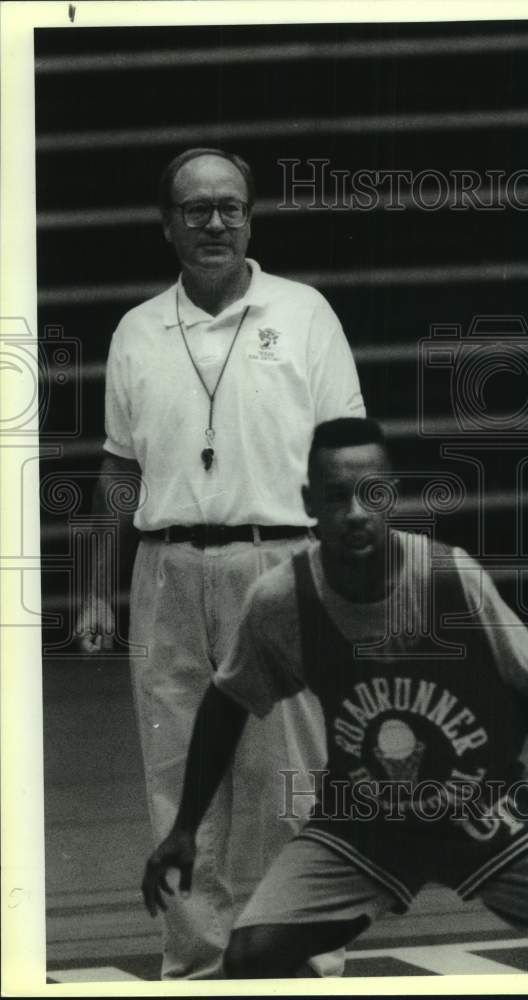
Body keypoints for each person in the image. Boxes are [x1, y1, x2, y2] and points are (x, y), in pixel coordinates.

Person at [141, 417, 528, 977]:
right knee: (252, 957)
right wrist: (185, 827)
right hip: (366, 819)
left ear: (391, 497)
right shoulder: (283, 599)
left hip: (485, 809)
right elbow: (226, 702)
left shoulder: (450, 579)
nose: (355, 511)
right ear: (310, 503)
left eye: (371, 494)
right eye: (336, 497)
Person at [76, 148, 365, 979]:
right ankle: (198, 968)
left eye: (230, 207)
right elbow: (119, 469)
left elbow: (347, 455)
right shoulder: (137, 330)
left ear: (250, 217)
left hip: (282, 565)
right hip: (167, 574)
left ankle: (295, 963)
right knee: (177, 780)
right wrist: (97, 590)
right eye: (195, 209)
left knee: (289, 780)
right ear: (166, 224)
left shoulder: (304, 313)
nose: (214, 223)